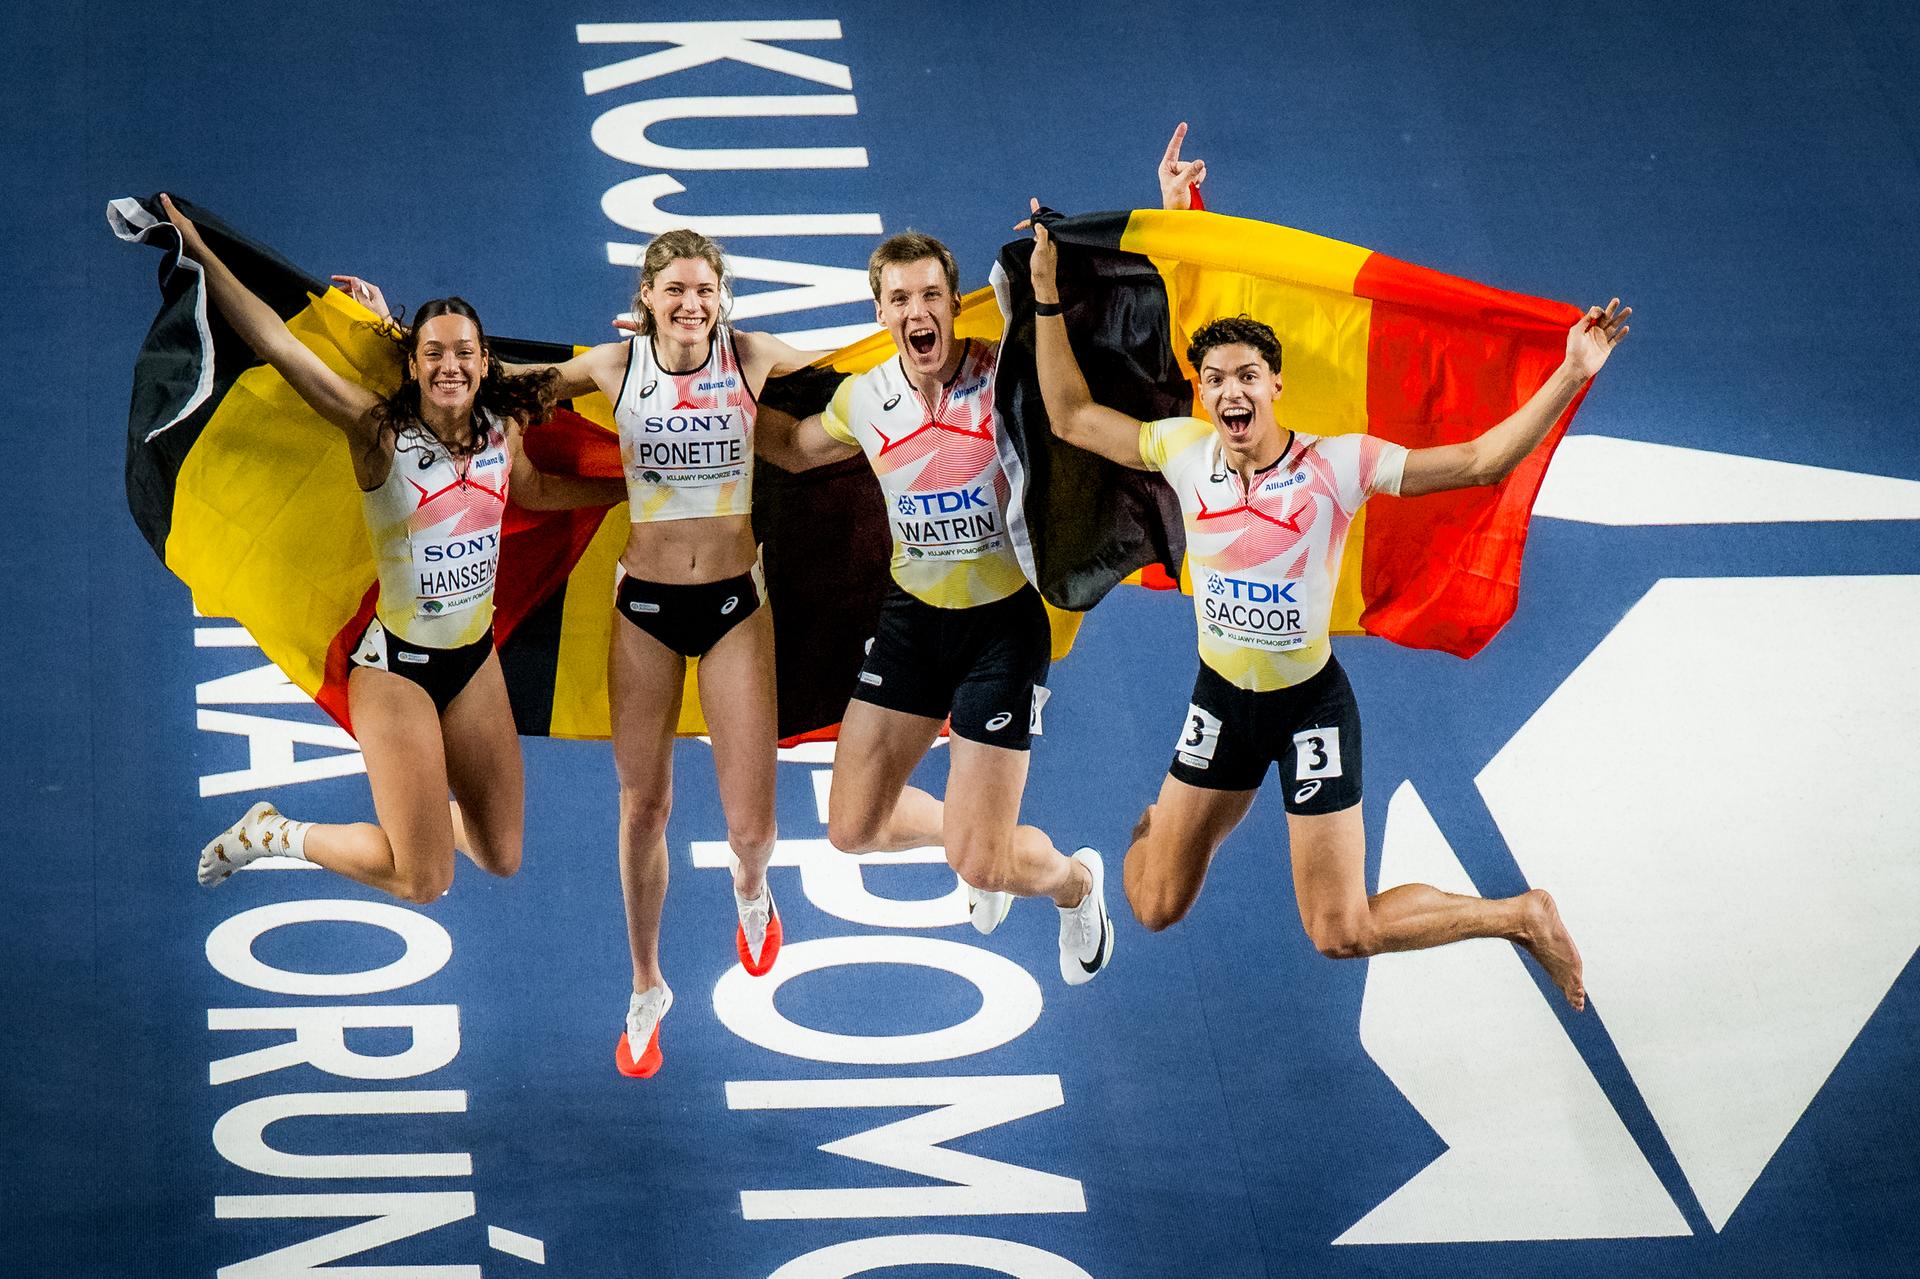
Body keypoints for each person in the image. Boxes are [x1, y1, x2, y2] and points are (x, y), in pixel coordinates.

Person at [1028, 214, 1628, 1010]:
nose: (1231, 390)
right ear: (1201, 392)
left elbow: (1484, 462)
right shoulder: (1180, 449)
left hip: (1310, 707)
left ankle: (1518, 914)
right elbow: (1069, 416)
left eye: (1247, 374)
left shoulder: (1337, 464)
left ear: (1276, 385)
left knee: (1341, 931)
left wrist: (1572, 371)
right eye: (1215, 378)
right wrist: (1042, 295)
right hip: (1221, 702)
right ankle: (1155, 825)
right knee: (1152, 906)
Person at [744, 113, 1215, 986]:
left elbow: (1129, 344)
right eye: (899, 300)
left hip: (1003, 629)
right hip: (911, 623)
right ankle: (976, 835)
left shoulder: (1007, 374)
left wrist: (1172, 214)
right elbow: (790, 447)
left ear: (951, 303)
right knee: (850, 826)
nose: (917, 312)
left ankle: (1074, 884)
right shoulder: (863, 399)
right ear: (878, 311)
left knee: (983, 861)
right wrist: (685, 389)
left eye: (931, 296)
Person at [167, 195, 626, 907]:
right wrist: (200, 250)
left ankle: (419, 829)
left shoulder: (506, 422)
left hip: (473, 663)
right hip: (396, 672)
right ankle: (274, 831)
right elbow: (280, 346)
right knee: (425, 879)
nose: (451, 365)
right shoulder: (377, 432)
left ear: (484, 363)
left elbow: (535, 484)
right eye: (434, 352)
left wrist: (628, 492)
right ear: (412, 365)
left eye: (464, 353)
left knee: (502, 854)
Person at [520, 230, 829, 1078]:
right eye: (676, 291)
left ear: (723, 297)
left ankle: (751, 885)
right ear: (647, 298)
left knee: (751, 824)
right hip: (646, 606)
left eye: (705, 290)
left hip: (735, 604)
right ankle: (647, 981)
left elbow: (866, 364)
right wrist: (385, 339)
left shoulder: (754, 356)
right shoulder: (613, 368)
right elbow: (484, 384)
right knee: (643, 806)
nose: (692, 304)